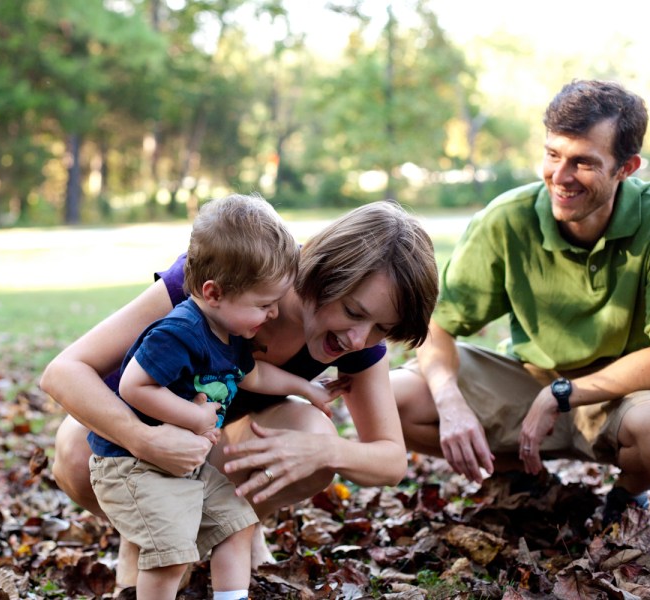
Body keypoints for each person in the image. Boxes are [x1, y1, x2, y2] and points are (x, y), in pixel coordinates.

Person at [40, 198, 439, 587]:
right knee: (75, 451)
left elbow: (391, 460)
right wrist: (142, 439)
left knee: (314, 435)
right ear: (322, 270)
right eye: (353, 311)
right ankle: (143, 536)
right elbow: (63, 372)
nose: (359, 339)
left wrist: (325, 451)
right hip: (135, 437)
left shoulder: (356, 339)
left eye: (382, 329)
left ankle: (236, 528)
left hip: (209, 442)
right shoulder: (235, 275)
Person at [391, 79, 650, 524]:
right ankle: (524, 478)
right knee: (394, 398)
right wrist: (449, 403)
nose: (560, 177)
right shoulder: (506, 219)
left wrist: (563, 394)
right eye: (553, 154)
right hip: (529, 381)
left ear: (627, 167)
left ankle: (626, 497)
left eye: (583, 162)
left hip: (630, 395)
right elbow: (437, 326)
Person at [87, 194, 339, 600]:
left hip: (184, 463)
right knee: (170, 556)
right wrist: (194, 417)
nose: (274, 314)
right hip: (132, 465)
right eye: (264, 304)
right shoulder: (180, 332)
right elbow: (134, 386)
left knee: (237, 524)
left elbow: (254, 374)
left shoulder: (230, 332)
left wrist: (306, 388)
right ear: (214, 292)